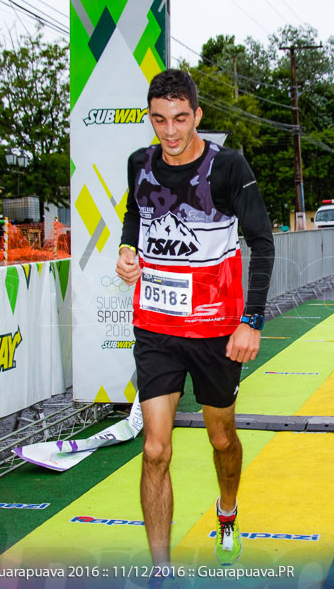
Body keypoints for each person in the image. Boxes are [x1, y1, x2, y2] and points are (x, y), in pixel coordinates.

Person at [115, 69, 275, 569]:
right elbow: (135, 216)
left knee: (221, 437)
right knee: (155, 449)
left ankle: (227, 513)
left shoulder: (228, 167)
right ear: (150, 118)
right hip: (157, 327)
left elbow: (262, 242)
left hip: (215, 330)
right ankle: (160, 570)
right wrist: (126, 249)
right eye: (160, 120)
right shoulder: (139, 164)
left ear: (197, 116)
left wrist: (251, 321)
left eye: (181, 118)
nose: (170, 131)